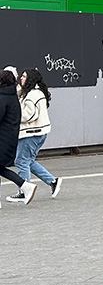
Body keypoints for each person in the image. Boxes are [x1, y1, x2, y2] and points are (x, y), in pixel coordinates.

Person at [6, 69, 61, 203]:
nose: (21, 79)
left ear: (30, 78)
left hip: (31, 133)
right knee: (28, 161)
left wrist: (14, 115)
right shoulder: (35, 92)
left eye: (24, 76)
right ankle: (53, 181)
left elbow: (29, 114)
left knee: (21, 161)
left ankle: (24, 191)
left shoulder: (32, 94)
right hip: (37, 133)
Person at [0, 71, 36, 206]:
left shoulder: (3, 98)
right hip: (9, 139)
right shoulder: (12, 97)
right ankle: (25, 186)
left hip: (2, 140)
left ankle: (25, 186)